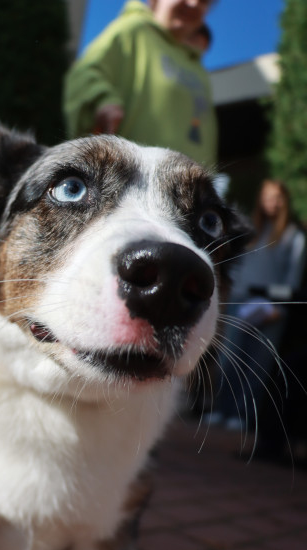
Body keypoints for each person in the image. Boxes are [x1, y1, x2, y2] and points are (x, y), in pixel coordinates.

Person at [63, 0, 217, 167]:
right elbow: (85, 72)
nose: (194, 3)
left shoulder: (198, 68)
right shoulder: (133, 29)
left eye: (204, 1)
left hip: (191, 185)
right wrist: (102, 100)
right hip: (128, 177)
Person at [213, 179, 306, 430]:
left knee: (257, 365)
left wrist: (280, 308)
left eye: (277, 197)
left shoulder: (293, 237)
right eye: (267, 196)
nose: (272, 203)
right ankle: (220, 409)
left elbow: (293, 279)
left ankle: (242, 416)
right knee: (230, 358)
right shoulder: (250, 231)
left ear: (284, 201)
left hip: (272, 308)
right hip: (241, 304)